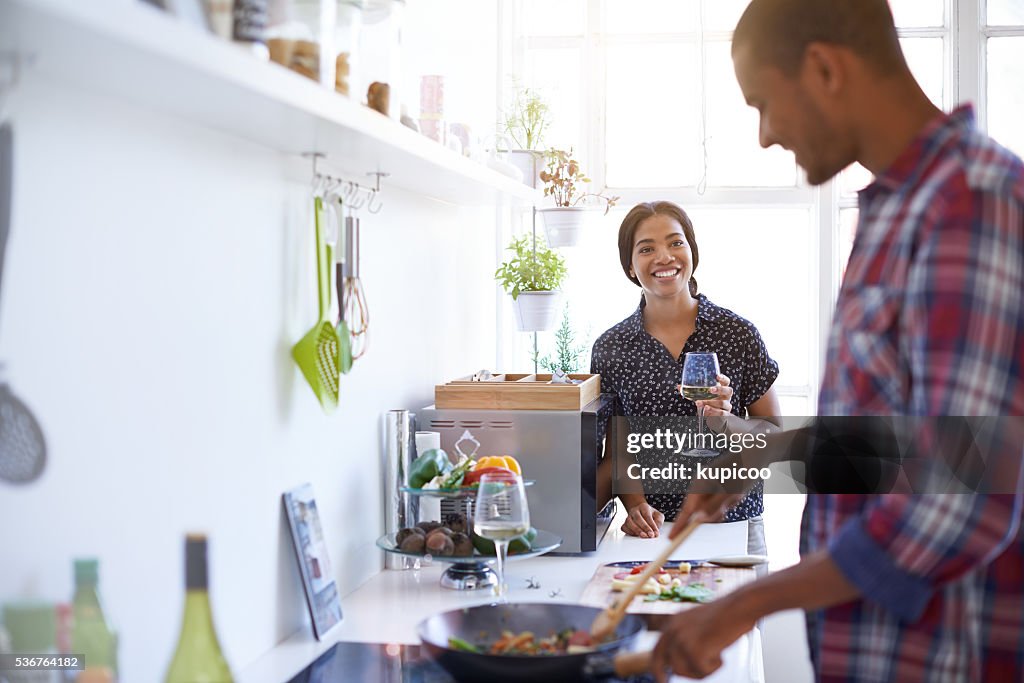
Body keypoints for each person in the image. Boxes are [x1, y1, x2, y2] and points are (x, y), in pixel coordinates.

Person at [651, 1, 1024, 681]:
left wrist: (745, 602)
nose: (765, 136)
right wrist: (768, 450)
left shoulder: (972, 202)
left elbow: (962, 493)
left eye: (764, 103)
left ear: (822, 67)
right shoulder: (896, 211)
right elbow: (912, 446)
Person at [591, 200, 781, 554]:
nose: (664, 256)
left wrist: (727, 423)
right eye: (646, 248)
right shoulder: (611, 347)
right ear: (630, 267)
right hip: (654, 533)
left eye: (676, 242)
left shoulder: (737, 333)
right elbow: (620, 451)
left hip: (734, 523)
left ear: (692, 251)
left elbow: (773, 435)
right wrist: (635, 507)